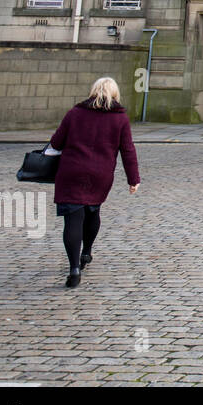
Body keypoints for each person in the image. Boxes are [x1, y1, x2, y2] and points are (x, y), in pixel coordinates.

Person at [48, 77, 141, 288]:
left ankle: (74, 268)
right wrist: (133, 179)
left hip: (72, 171)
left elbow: (56, 142)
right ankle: (87, 252)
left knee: (72, 219)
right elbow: (127, 150)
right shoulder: (120, 119)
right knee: (92, 211)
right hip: (100, 174)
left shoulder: (75, 113)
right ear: (115, 95)